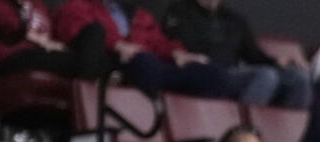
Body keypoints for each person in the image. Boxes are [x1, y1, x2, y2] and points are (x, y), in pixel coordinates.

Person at [54, 0, 227, 99]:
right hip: (112, 65)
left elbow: (159, 42)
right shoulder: (80, 5)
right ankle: (150, 121)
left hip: (152, 67)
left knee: (209, 73)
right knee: (145, 61)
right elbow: (77, 32)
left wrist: (179, 53)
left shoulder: (141, 16)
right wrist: (117, 45)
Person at [162, 0, 310, 108]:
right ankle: (241, 137)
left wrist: (278, 61)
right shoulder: (180, 11)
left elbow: (253, 55)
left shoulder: (234, 19)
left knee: (299, 77)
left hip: (235, 72)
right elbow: (174, 47)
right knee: (266, 76)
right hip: (208, 73)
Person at [0, 0, 113, 81]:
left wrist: (55, 45)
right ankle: (86, 87)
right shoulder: (0, 3)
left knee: (95, 31)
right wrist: (41, 41)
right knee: (90, 62)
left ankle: (86, 80)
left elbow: (53, 35)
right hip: (14, 55)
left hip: (43, 54)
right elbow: (7, 24)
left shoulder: (38, 5)